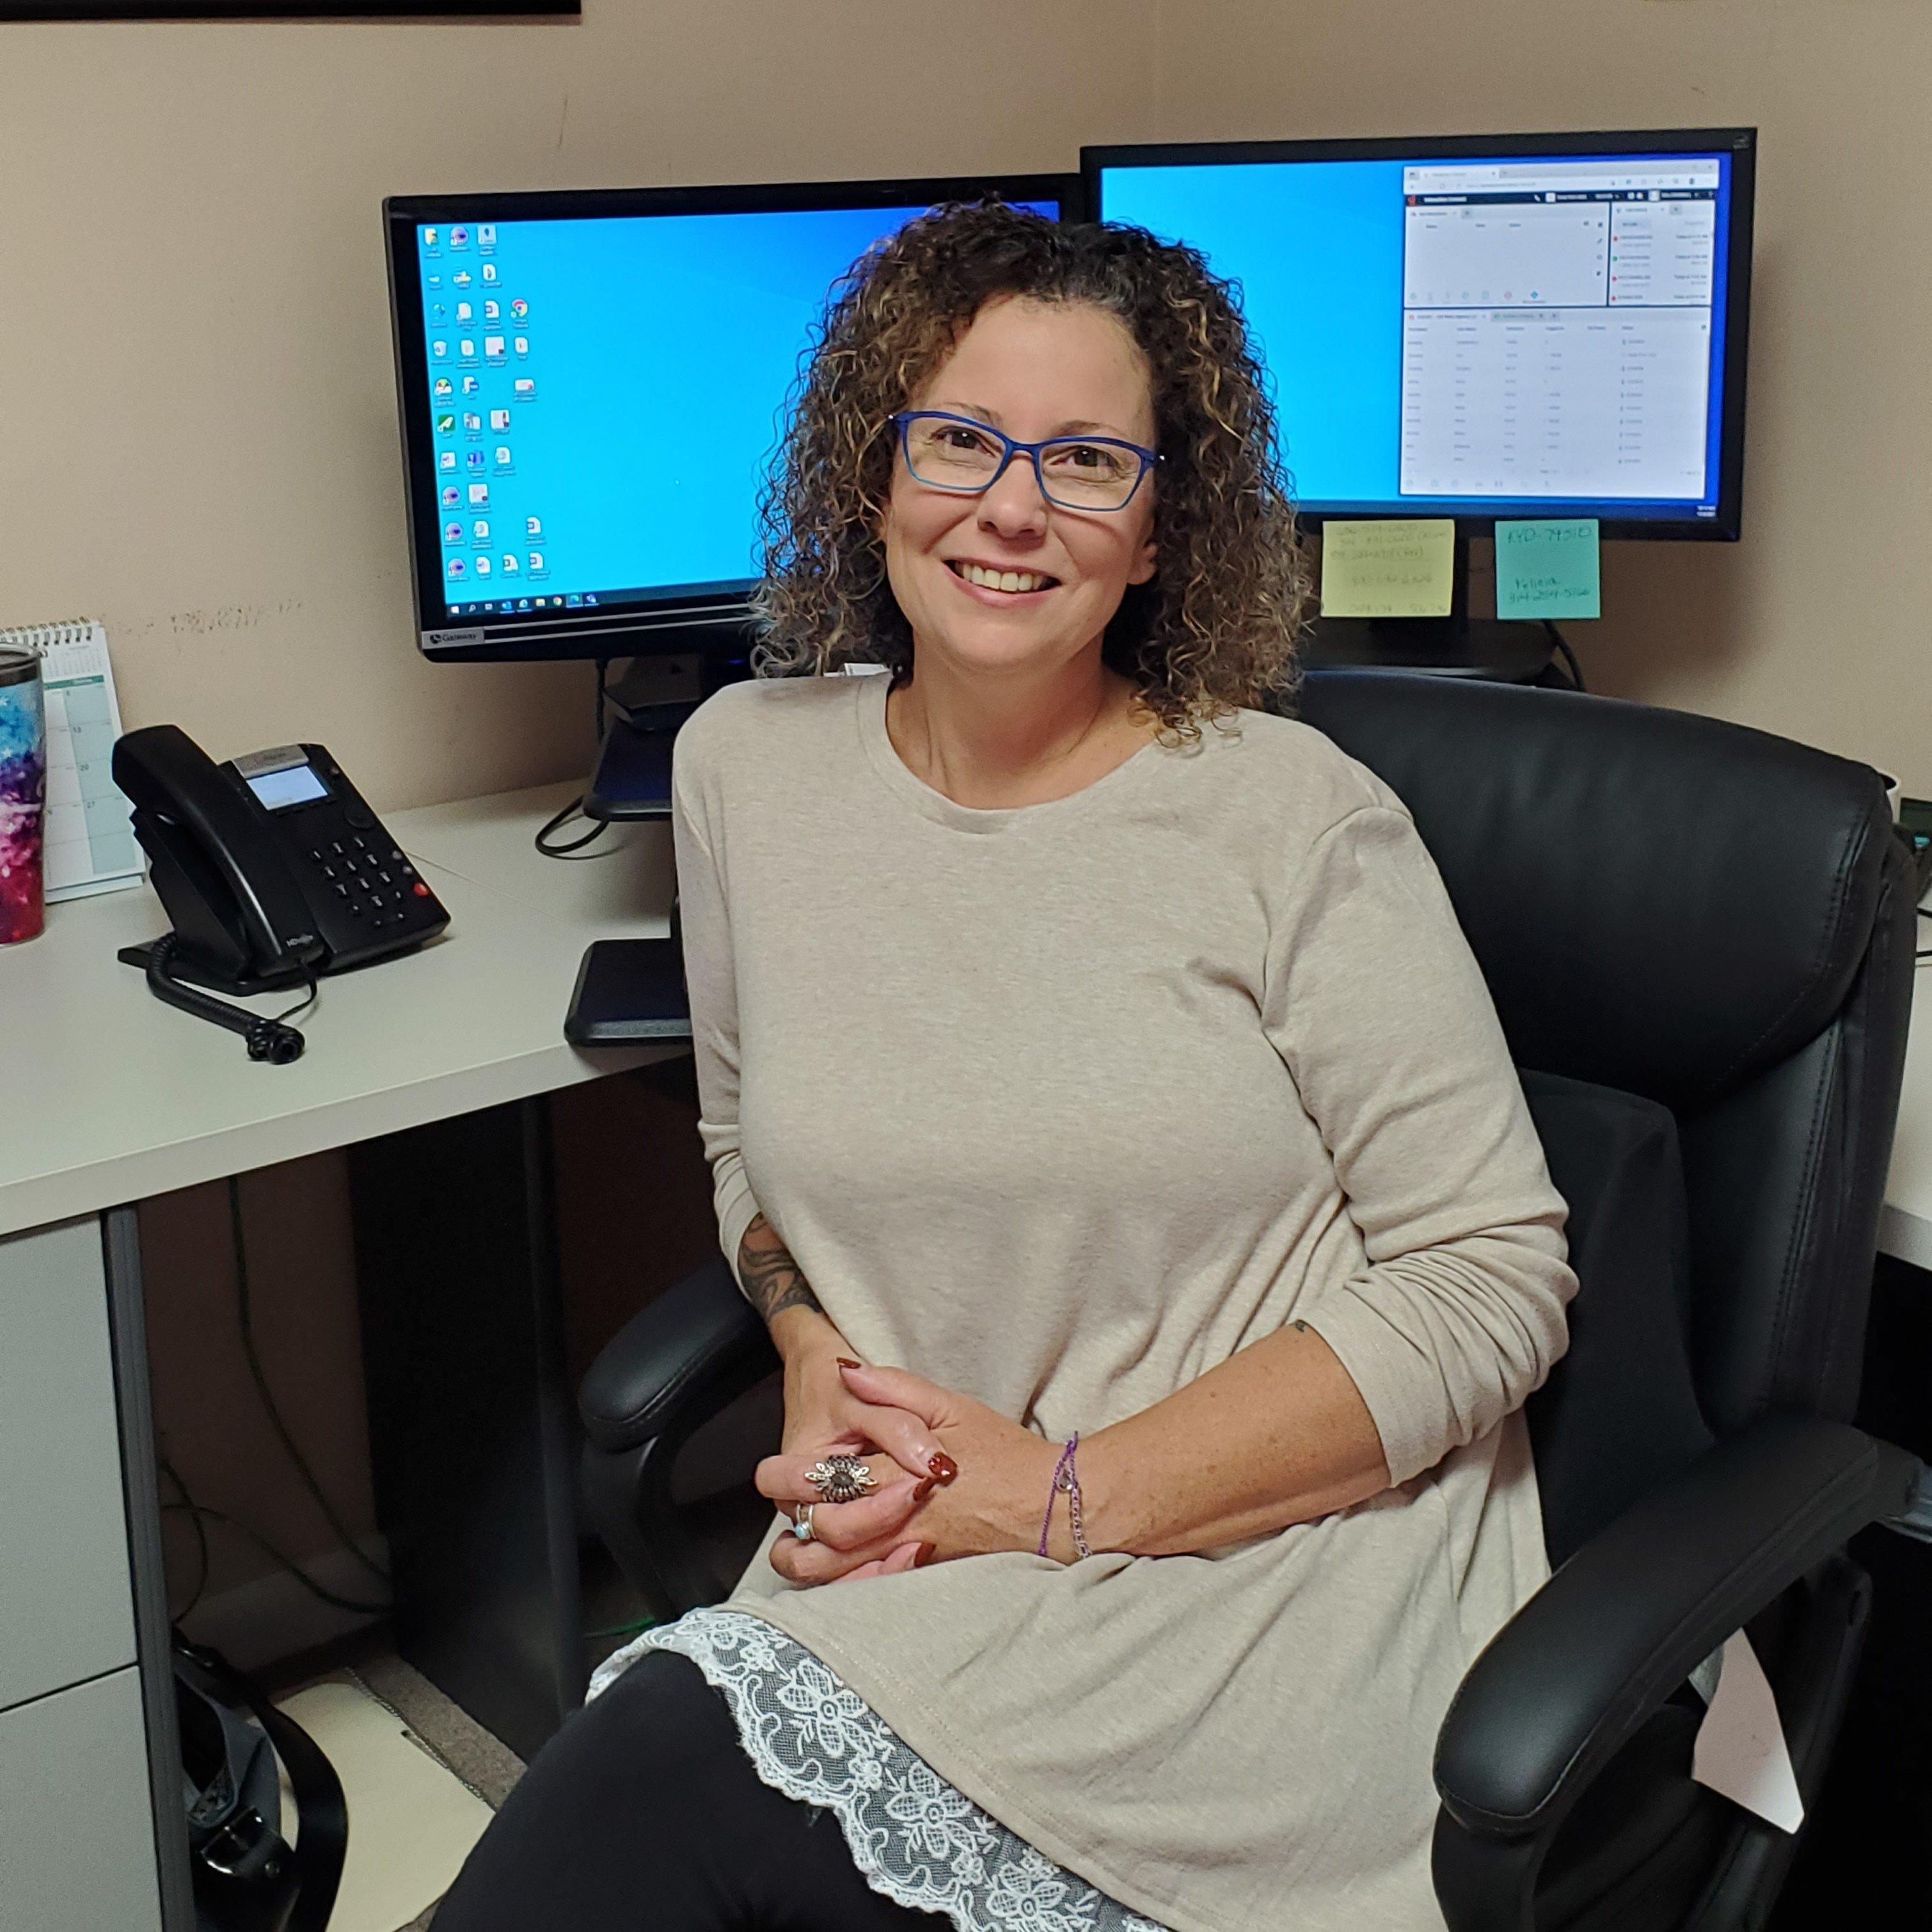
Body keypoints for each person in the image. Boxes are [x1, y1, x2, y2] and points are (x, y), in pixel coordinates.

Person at [435, 202, 1575, 1932]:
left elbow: (1493, 1280)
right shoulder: (749, 765)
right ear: (869, 471)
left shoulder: (1293, 818)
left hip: (1254, 1581)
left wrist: (1060, 1493)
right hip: (913, 1544)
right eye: (958, 438)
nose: (1010, 505)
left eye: (1088, 461)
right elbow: (743, 1134)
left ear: (1159, 531)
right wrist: (808, 1343)